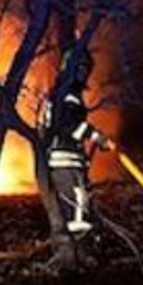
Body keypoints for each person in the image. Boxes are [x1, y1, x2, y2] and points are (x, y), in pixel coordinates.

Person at [39, 44, 114, 259]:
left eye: (86, 69)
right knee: (76, 208)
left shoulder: (60, 93)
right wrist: (96, 136)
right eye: (81, 68)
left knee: (78, 204)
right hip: (64, 160)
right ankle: (73, 259)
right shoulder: (67, 95)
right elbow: (69, 125)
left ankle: (75, 256)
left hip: (64, 160)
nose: (84, 74)